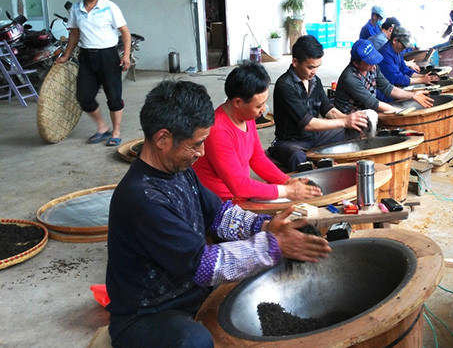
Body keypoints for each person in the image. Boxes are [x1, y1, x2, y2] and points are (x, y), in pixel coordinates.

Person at [105, 80, 331, 347]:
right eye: (196, 144)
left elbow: (222, 216)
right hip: (148, 314)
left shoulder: (180, 171)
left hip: (192, 294)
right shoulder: (142, 199)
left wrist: (266, 226)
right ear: (163, 139)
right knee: (194, 341)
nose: (202, 153)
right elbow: (202, 265)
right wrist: (273, 245)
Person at [192, 61, 322, 201]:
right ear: (238, 103)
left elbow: (257, 158)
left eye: (264, 103)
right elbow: (239, 187)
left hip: (240, 196)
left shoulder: (247, 116)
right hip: (221, 204)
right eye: (258, 105)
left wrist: (287, 181)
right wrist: (287, 191)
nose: (263, 110)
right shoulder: (218, 130)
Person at [269, 35, 369, 172]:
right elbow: (308, 123)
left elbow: (328, 110)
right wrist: (344, 121)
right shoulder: (285, 85)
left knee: (353, 130)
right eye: (310, 67)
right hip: (291, 142)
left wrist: (349, 120)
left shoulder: (315, 81)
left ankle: (349, 172)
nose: (314, 71)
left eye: (317, 67)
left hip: (314, 137)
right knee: (297, 156)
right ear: (295, 62)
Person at [55, 0, 131, 147]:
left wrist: (126, 55)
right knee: (84, 96)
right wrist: (66, 55)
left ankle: (116, 131)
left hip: (108, 56)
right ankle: (102, 127)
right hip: (87, 57)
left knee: (114, 97)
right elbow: (74, 33)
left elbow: (125, 32)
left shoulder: (110, 7)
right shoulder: (76, 9)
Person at [333, 39, 434, 115]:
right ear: (356, 63)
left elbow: (389, 89)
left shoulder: (373, 68)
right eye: (369, 62)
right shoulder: (350, 78)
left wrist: (412, 95)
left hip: (366, 110)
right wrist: (402, 112)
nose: (374, 65)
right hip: (347, 115)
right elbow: (374, 103)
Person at [377, 28, 439, 102]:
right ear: (395, 41)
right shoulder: (385, 54)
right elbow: (396, 78)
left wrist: (424, 77)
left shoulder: (397, 51)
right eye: (403, 45)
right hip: (385, 95)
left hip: (395, 89)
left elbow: (404, 69)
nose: (405, 48)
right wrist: (421, 80)